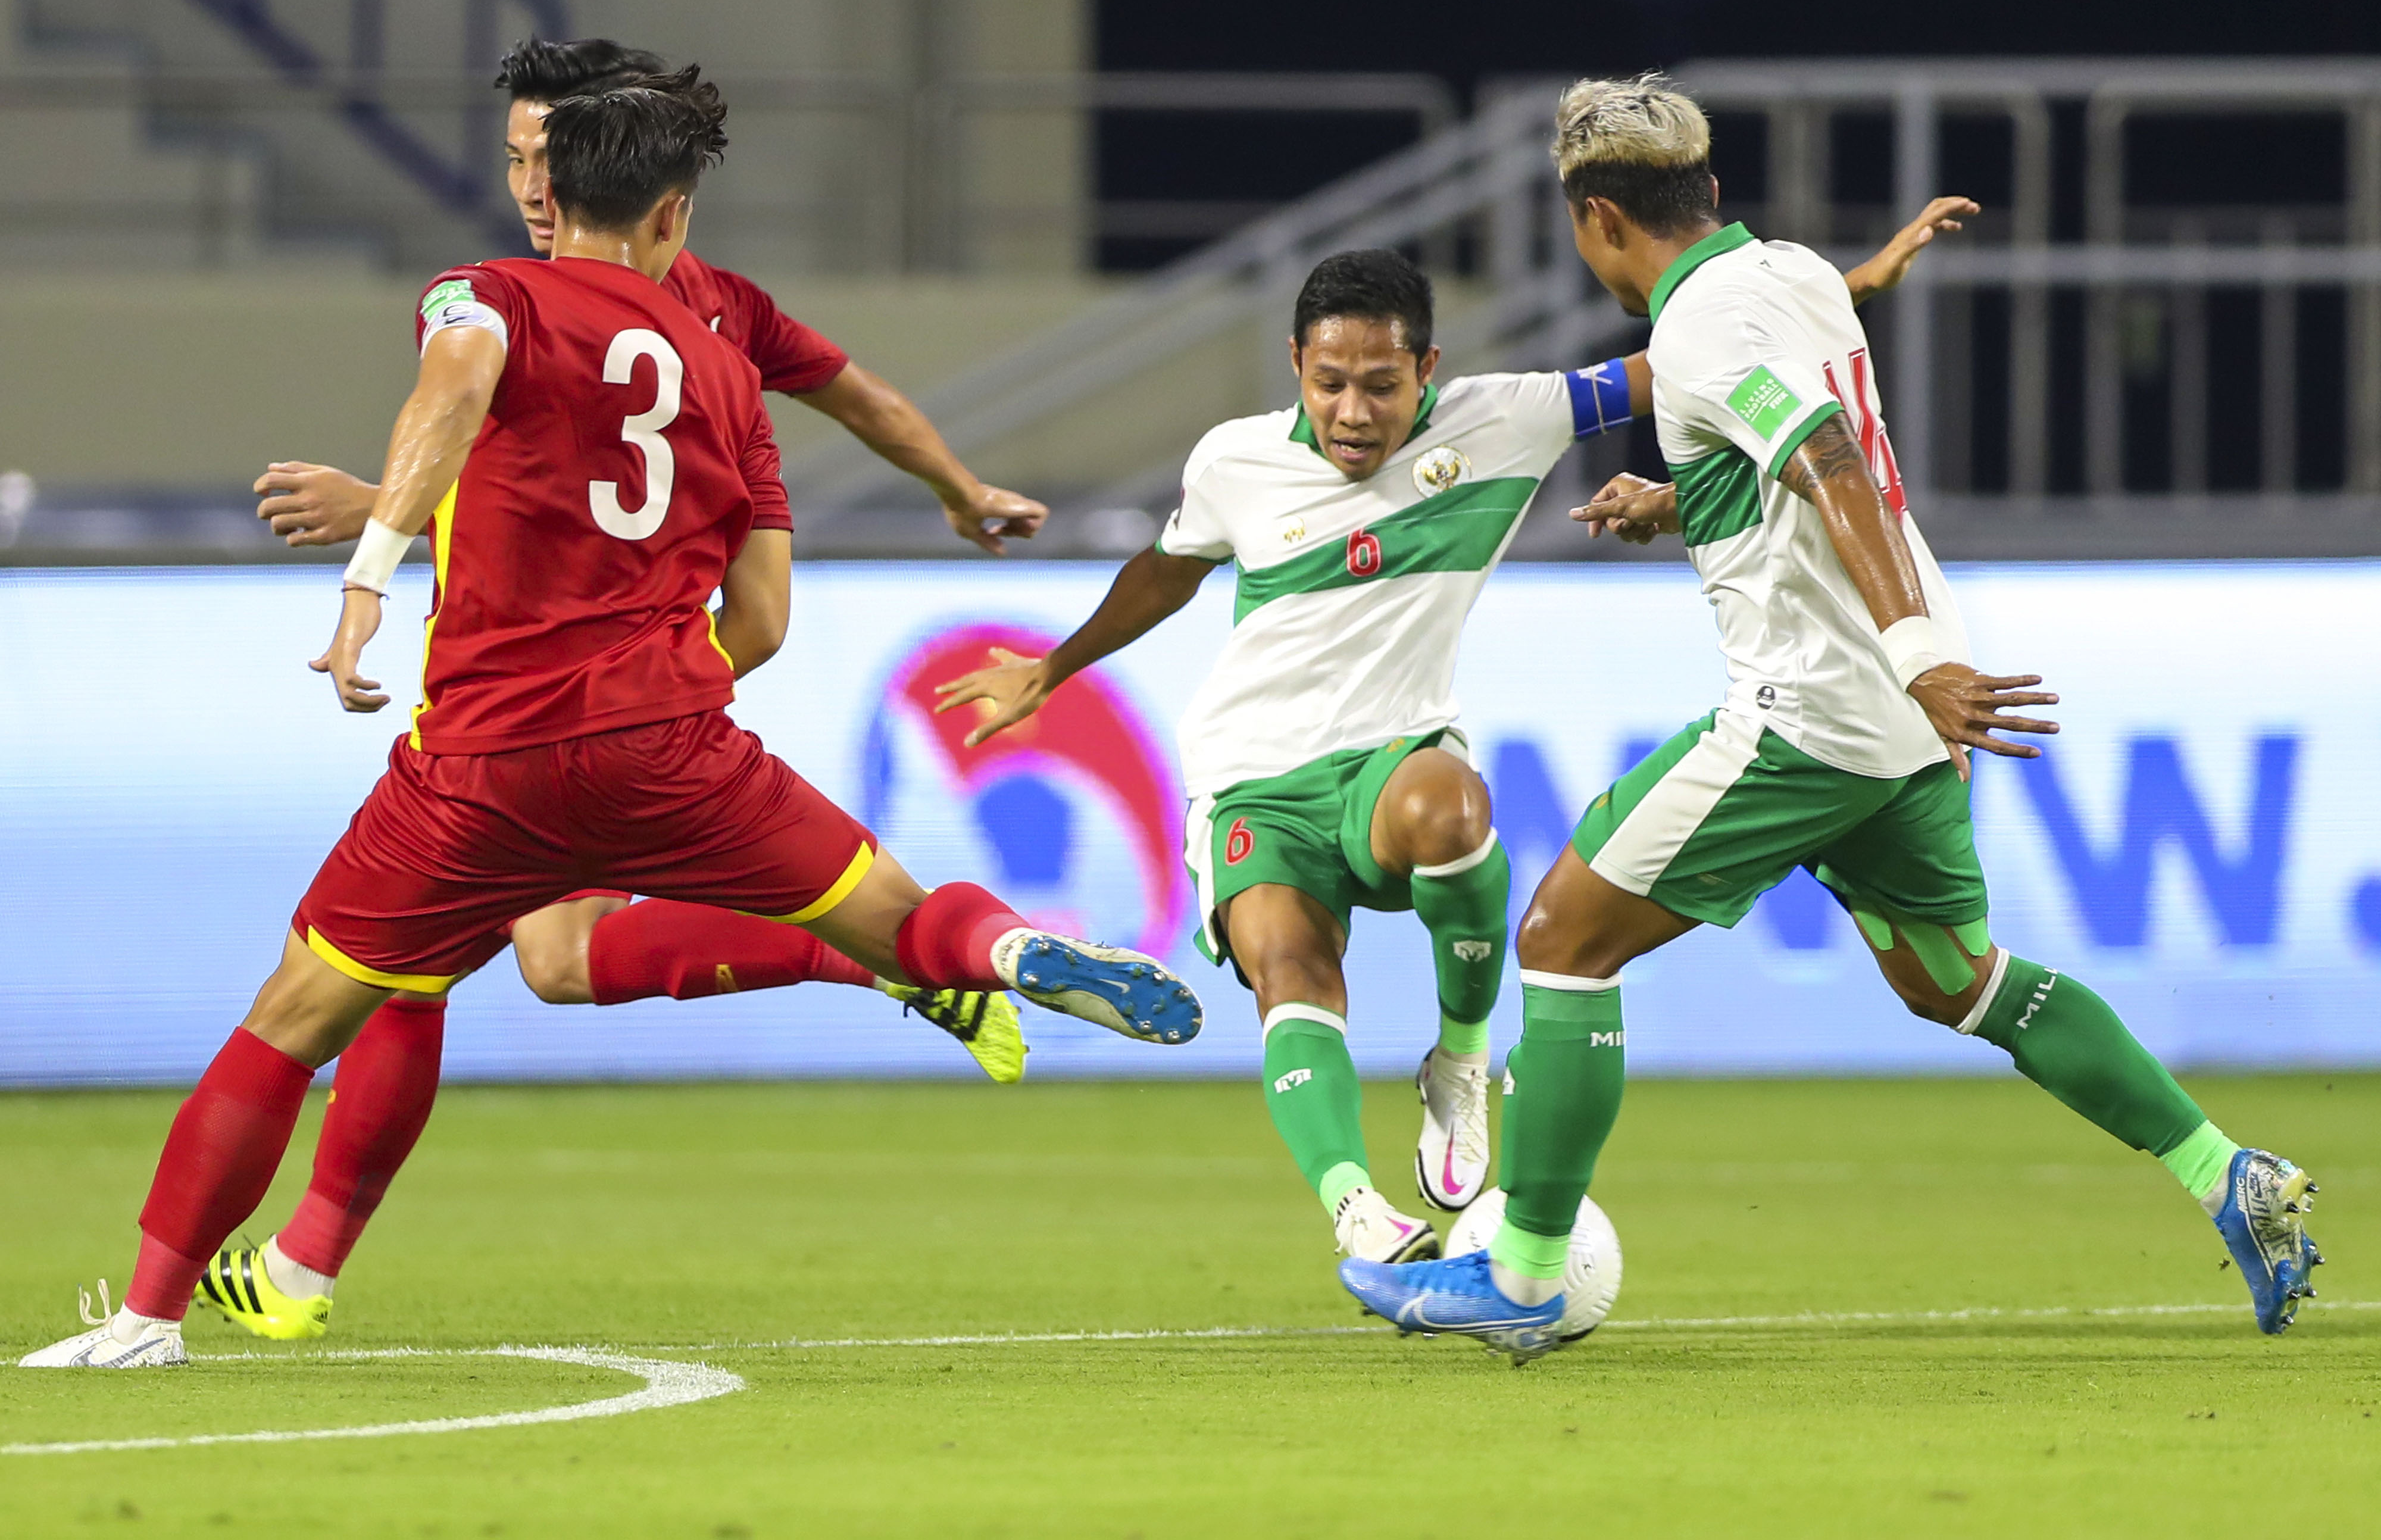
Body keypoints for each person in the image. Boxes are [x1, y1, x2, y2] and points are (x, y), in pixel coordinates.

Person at [22, 68, 1200, 1369]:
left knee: (301, 1016)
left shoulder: (483, 294)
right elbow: (755, 606)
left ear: (560, 182)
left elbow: (455, 398)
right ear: (671, 214)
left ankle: (147, 1315)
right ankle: (1012, 953)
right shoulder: (724, 362)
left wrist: (369, 567)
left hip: (479, 766)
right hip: (674, 743)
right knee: (896, 920)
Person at [1339, 74, 2321, 1355]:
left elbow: (1826, 461)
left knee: (1563, 936)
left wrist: (1911, 655)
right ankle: (2222, 1170)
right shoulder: (1793, 273)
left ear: (1595, 219)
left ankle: (1520, 1273)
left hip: (1816, 712)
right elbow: (1786, 443)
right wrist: (1686, 491)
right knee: (1953, 982)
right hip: (1902, 723)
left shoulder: (1701, 333)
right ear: (1711, 193)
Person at [935, 202, 1973, 1276]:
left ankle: (1461, 1060)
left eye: (1382, 385)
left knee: (1454, 807)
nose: (1352, 411)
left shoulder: (1502, 419)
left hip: (1391, 756)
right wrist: (1053, 668)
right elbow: (1165, 571)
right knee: (1292, 966)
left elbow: (1688, 359)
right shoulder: (1233, 463)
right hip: (1250, 775)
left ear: (1427, 368)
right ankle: (1355, 1209)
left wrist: (1834, 293)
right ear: (1296, 362)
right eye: (1328, 382)